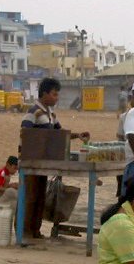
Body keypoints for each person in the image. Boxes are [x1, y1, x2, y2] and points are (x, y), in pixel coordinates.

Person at [20, 77, 90, 239]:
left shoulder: (51, 114)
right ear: (44, 94)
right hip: (32, 161)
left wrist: (77, 135)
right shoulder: (33, 112)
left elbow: (59, 133)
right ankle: (24, 232)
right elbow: (25, 133)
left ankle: (35, 231)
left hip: (45, 162)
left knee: (39, 197)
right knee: (30, 197)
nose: (56, 98)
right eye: (54, 94)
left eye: (57, 95)